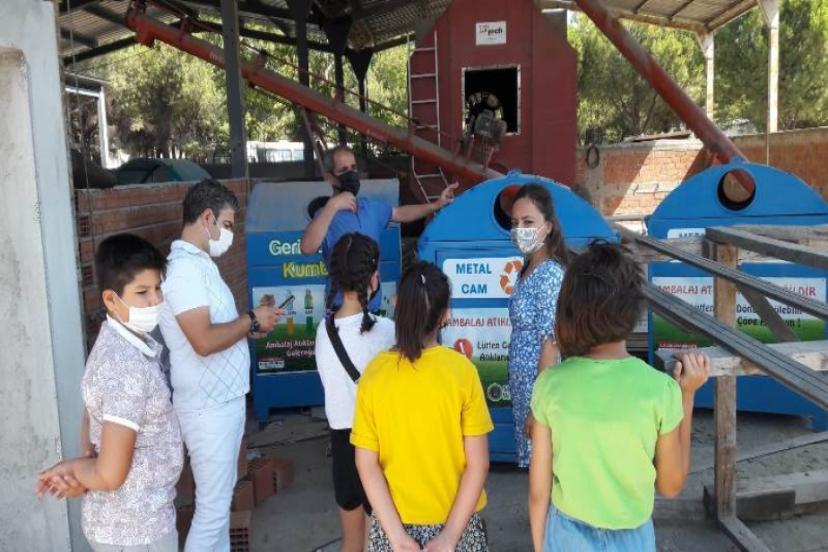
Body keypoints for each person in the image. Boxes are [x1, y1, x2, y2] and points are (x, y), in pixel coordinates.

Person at [528, 242, 711, 552]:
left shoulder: (549, 385)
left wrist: (540, 547)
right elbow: (670, 485)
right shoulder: (660, 390)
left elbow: (538, 492)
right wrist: (686, 395)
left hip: (567, 535)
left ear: (569, 311)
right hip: (633, 539)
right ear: (633, 311)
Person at [36, 233, 183, 552]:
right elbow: (111, 475)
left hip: (133, 521)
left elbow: (91, 415)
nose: (155, 301)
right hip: (135, 531)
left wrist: (84, 472)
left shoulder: (120, 344)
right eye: (142, 292)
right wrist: (75, 470)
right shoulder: (124, 365)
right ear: (111, 300)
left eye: (158, 288)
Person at [158, 179, 282, 552]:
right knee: (212, 512)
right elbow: (204, 341)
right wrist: (251, 320)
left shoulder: (201, 265)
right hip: (207, 408)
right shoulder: (184, 271)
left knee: (218, 505)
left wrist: (250, 328)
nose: (229, 234)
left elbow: (219, 331)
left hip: (222, 402)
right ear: (207, 218)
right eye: (227, 225)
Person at [352, 262, 493, 551]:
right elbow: (478, 464)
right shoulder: (462, 372)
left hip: (393, 528)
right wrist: (449, 537)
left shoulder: (374, 375)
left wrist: (397, 538)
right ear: (444, 316)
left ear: (396, 304)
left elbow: (366, 463)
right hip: (458, 526)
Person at [300, 144, 458, 312]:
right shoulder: (325, 214)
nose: (351, 174)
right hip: (340, 309)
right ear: (330, 178)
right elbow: (307, 248)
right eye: (344, 170)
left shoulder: (370, 208)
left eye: (353, 168)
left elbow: (401, 213)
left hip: (372, 307)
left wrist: (436, 204)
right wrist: (332, 206)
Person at [314, 233, 396, 552]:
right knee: (382, 538)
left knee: (352, 542)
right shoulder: (387, 332)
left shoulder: (323, 331)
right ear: (373, 277)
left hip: (343, 446)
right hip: (380, 445)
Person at [507, 183, 568, 468]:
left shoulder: (549, 275)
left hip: (540, 394)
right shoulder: (527, 269)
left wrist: (538, 406)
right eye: (515, 223)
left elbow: (550, 343)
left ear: (548, 227)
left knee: (545, 468)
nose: (520, 229)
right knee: (537, 468)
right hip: (526, 391)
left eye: (528, 222)